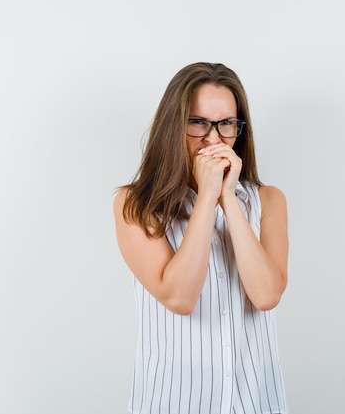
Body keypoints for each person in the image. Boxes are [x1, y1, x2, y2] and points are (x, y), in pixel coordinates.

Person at [113, 62, 289, 414]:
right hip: (171, 402)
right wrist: (206, 199)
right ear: (173, 126)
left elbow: (267, 295)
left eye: (226, 124)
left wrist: (228, 198)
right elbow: (179, 296)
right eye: (198, 123)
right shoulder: (135, 205)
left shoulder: (268, 200)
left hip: (256, 402)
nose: (214, 138)